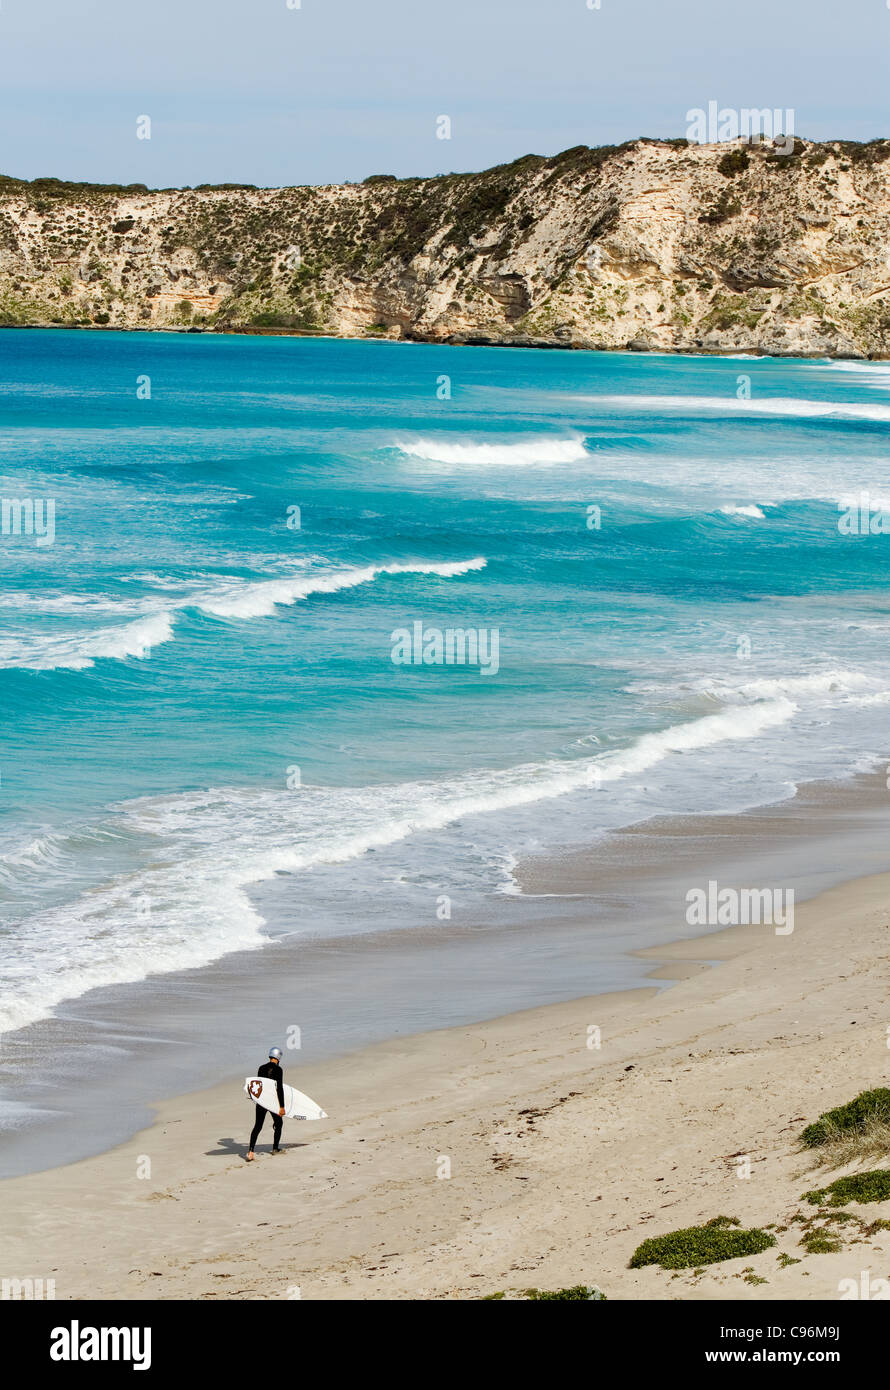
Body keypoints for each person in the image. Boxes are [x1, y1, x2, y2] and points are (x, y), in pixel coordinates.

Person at [246, 1046, 286, 1161]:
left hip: (261, 1102)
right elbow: (279, 1088)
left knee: (257, 1126)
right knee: (279, 1123)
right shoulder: (279, 1070)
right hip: (272, 1102)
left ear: (270, 1055)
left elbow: (257, 1085)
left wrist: (255, 1099)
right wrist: (282, 1106)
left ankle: (250, 1151)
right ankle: (275, 1149)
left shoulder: (261, 1068)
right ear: (278, 1057)